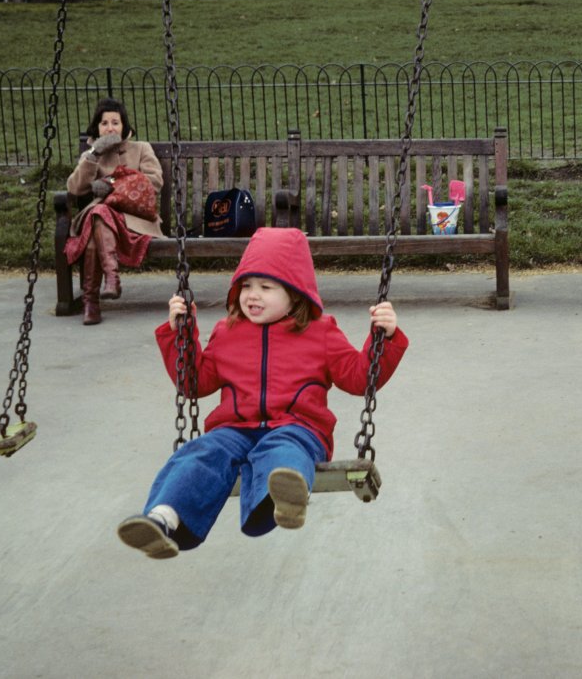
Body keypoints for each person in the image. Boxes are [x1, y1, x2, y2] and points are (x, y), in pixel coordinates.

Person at [117, 227, 410, 559]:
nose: (252, 295)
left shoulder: (321, 333)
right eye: (246, 286)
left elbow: (359, 378)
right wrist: (180, 335)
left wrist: (383, 338)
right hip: (234, 429)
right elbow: (194, 383)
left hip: (298, 426)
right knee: (202, 452)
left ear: (296, 293)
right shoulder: (227, 333)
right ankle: (163, 520)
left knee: (283, 447)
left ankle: (287, 498)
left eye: (266, 287)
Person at [63, 97, 164, 325]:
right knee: (99, 214)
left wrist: (111, 184)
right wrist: (93, 156)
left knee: (96, 220)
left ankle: (92, 302)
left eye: (115, 122)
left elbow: (154, 182)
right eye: (104, 123)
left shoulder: (140, 149)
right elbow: (75, 188)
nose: (110, 127)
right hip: (101, 218)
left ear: (124, 126)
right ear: (97, 128)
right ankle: (110, 280)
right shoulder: (91, 155)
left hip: (134, 219)